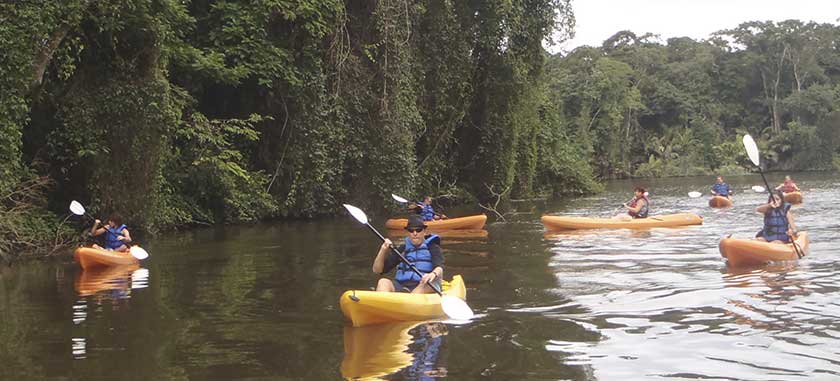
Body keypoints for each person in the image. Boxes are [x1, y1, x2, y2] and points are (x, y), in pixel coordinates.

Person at [373, 215, 443, 294]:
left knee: (422, 287)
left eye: (418, 230)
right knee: (383, 282)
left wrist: (432, 274)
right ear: (408, 232)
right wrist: (383, 250)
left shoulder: (433, 247)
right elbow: (377, 270)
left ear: (424, 231)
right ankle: (383, 304)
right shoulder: (403, 249)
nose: (415, 233)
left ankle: (409, 301)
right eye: (411, 230)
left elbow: (439, 268)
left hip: (423, 284)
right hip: (401, 285)